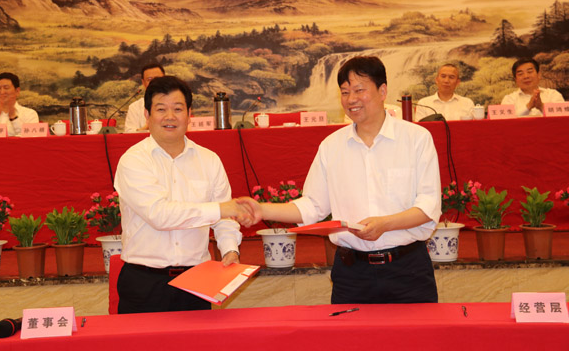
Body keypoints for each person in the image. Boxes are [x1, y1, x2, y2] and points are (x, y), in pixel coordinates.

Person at [237, 56, 441, 305]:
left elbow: (428, 206)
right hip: (353, 274)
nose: (351, 99)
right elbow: (313, 206)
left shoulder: (416, 139)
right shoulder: (331, 146)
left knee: (417, 332)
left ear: (382, 91)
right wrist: (262, 210)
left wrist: (385, 224)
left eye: (359, 90)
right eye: (345, 92)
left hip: (408, 270)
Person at [114, 75, 249, 313]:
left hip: (197, 281)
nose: (170, 116)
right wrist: (220, 209)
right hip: (144, 283)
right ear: (147, 115)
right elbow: (159, 215)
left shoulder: (209, 160)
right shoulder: (133, 160)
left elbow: (225, 218)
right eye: (161, 109)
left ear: (189, 114)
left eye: (177, 109)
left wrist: (230, 249)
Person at [124, 63, 165, 133]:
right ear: (143, 82)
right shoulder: (135, 107)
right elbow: (129, 134)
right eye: (149, 79)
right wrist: (147, 126)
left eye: (158, 78)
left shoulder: (176, 103)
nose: (154, 82)